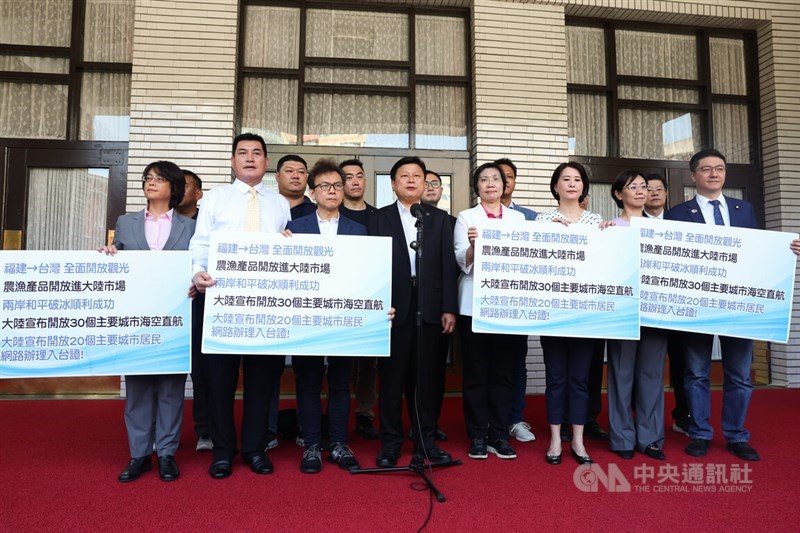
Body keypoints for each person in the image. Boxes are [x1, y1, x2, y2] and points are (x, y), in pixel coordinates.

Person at [190, 133, 291, 478]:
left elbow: (288, 252)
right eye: (243, 153)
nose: (250, 158)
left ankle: (254, 448)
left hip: (266, 304)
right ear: (233, 161)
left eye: (257, 153)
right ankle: (222, 450)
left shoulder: (280, 204)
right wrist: (197, 272)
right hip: (221, 301)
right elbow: (200, 243)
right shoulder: (216, 198)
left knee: (263, 380)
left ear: (266, 162)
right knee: (220, 380)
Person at [101, 160, 195, 482]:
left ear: (174, 187)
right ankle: (139, 454)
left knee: (171, 388)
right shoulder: (126, 223)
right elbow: (118, 257)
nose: (151, 183)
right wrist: (108, 253)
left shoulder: (190, 227)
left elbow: (197, 264)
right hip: (137, 318)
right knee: (138, 387)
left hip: (175, 318)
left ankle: (167, 453)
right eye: (147, 178)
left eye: (159, 178)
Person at [666, 148, 762, 461]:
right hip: (698, 305)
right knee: (696, 373)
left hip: (738, 304)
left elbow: (756, 253)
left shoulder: (743, 209)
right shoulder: (677, 213)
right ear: (693, 176)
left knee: (738, 374)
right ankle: (701, 432)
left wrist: (787, 250)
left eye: (719, 168)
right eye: (706, 169)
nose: (713, 174)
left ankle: (736, 435)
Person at [367, 156, 458, 467]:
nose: (410, 180)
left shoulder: (440, 218)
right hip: (392, 310)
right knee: (392, 381)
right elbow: (370, 268)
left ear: (424, 183)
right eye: (403, 176)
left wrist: (449, 307)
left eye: (416, 176)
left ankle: (425, 442)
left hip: (429, 308)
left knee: (427, 381)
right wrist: (377, 304)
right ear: (393, 184)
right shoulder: (377, 219)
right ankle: (390, 444)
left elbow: (448, 265)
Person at [284, 159, 366, 474]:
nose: (332, 191)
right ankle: (313, 445)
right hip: (308, 318)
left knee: (342, 384)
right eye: (324, 186)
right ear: (313, 192)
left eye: (337, 185)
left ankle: (338, 442)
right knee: (307, 383)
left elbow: (367, 275)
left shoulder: (358, 230)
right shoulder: (296, 229)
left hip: (345, 318)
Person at [536, 162, 606, 466]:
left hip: (585, 314)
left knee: (579, 380)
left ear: (584, 187)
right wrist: (543, 235)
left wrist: (610, 237)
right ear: (555, 187)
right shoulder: (541, 220)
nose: (572, 183)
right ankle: (554, 439)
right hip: (552, 312)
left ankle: (577, 440)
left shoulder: (596, 221)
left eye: (577, 179)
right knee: (556, 379)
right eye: (566, 179)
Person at [454, 162, 525, 460]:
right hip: (474, 306)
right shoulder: (466, 217)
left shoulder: (518, 218)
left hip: (508, 307)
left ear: (505, 185)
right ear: (477, 186)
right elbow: (462, 261)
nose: (491, 184)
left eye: (496, 179)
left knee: (503, 374)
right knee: (476, 374)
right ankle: (478, 435)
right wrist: (473, 246)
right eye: (484, 179)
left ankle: (499, 432)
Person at [606, 170, 668, 460]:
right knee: (621, 374)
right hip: (621, 312)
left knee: (652, 375)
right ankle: (621, 436)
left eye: (644, 186)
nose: (642, 191)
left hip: (656, 311)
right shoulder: (609, 228)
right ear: (620, 194)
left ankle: (650, 437)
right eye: (634, 186)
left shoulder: (664, 229)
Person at [643, 172, 692, 436]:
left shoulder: (682, 221)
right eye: (648, 188)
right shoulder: (631, 223)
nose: (654, 193)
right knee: (645, 368)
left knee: (682, 365)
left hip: (677, 308)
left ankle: (683, 415)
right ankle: (642, 418)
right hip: (645, 311)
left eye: (659, 189)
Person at [495, 158, 538, 444]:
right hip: (489, 299)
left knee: (517, 363)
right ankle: (492, 419)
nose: (504, 182)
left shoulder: (529, 217)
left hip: (518, 300)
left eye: (509, 177)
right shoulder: (474, 216)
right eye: (499, 177)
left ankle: (515, 418)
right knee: (491, 364)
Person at [338, 159, 380, 440]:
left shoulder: (379, 217)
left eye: (359, 176)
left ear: (365, 181)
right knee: (337, 360)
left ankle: (365, 413)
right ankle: (334, 414)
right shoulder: (329, 213)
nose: (354, 181)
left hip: (369, 295)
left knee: (367, 362)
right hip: (335, 297)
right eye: (348, 177)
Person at [176, 169, 213, 452]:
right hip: (166, 306)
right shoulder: (158, 222)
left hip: (201, 303)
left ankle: (205, 429)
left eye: (184, 185)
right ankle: (161, 433)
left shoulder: (209, 222)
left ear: (198, 193)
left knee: (202, 371)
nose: (177, 189)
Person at [421, 169, 454, 443]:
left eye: (435, 183)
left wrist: (448, 307)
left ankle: (431, 424)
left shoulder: (450, 222)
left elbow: (451, 269)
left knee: (435, 372)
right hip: (405, 310)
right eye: (426, 182)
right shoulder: (394, 218)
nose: (430, 187)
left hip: (438, 309)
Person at [277, 154, 316, 220]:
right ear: (277, 176)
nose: (296, 176)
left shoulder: (318, 212)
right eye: (289, 171)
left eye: (301, 172)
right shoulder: (265, 207)